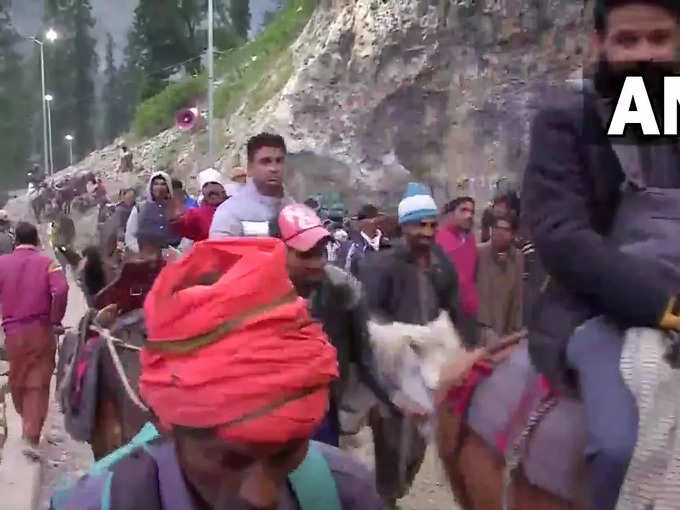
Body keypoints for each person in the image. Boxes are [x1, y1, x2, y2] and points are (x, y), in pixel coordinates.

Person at [50, 237, 384, 510]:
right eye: (230, 459)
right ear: (166, 426)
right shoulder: (94, 503)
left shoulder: (348, 494)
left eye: (285, 453)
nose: (262, 496)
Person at [522, 2, 680, 509]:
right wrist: (666, 305)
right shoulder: (567, 120)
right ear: (599, 45)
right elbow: (561, 236)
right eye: (628, 41)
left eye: (660, 38)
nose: (646, 55)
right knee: (619, 446)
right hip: (595, 311)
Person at [358, 182, 473, 507]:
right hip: (391, 372)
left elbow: (454, 310)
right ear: (404, 225)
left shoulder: (441, 265)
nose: (427, 231)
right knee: (392, 447)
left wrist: (464, 349)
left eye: (432, 225)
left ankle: (393, 493)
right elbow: (370, 321)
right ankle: (384, 499)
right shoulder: (381, 266)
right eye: (419, 224)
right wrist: (401, 342)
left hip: (430, 370)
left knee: (417, 448)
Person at [269, 204, 397, 447]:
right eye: (305, 254)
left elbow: (364, 355)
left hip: (322, 412)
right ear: (277, 248)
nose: (317, 263)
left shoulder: (342, 289)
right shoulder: (252, 292)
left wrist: (391, 399)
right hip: (267, 413)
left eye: (320, 252)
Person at [0, 222, 68, 459]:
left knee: (18, 379)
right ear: (37, 239)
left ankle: (28, 425)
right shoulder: (48, 263)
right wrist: (55, 318)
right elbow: (60, 290)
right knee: (38, 382)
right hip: (40, 330)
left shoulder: (2, 263)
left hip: (12, 332)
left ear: (16, 240)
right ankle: (31, 434)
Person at [210, 133, 295, 238]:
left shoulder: (295, 209)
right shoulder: (229, 212)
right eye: (265, 162)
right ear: (250, 168)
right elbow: (218, 252)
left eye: (279, 161)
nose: (274, 168)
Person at [475, 214, 524, 347]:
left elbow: (519, 294)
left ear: (513, 234)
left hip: (508, 325)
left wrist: (517, 327)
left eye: (506, 230)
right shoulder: (478, 252)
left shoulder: (518, 257)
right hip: (484, 325)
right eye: (497, 228)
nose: (500, 233)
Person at [436, 196, 478, 318]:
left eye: (471, 212)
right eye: (463, 210)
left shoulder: (470, 240)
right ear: (450, 214)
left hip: (470, 311)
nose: (469, 215)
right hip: (446, 312)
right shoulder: (438, 239)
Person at [125, 171, 178, 254]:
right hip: (146, 258)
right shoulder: (140, 208)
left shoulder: (177, 207)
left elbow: (186, 234)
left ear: (168, 187)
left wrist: (179, 252)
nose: (159, 187)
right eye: (156, 184)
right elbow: (130, 236)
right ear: (151, 187)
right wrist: (141, 252)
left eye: (163, 184)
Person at [169, 168, 228, 243]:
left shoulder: (236, 206)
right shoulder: (195, 215)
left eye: (214, 184)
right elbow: (177, 226)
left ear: (223, 189)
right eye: (206, 186)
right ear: (203, 192)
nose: (211, 188)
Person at [337, 204, 390, 276]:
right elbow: (346, 276)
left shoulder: (388, 244)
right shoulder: (351, 248)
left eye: (376, 218)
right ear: (361, 222)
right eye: (371, 218)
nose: (375, 221)